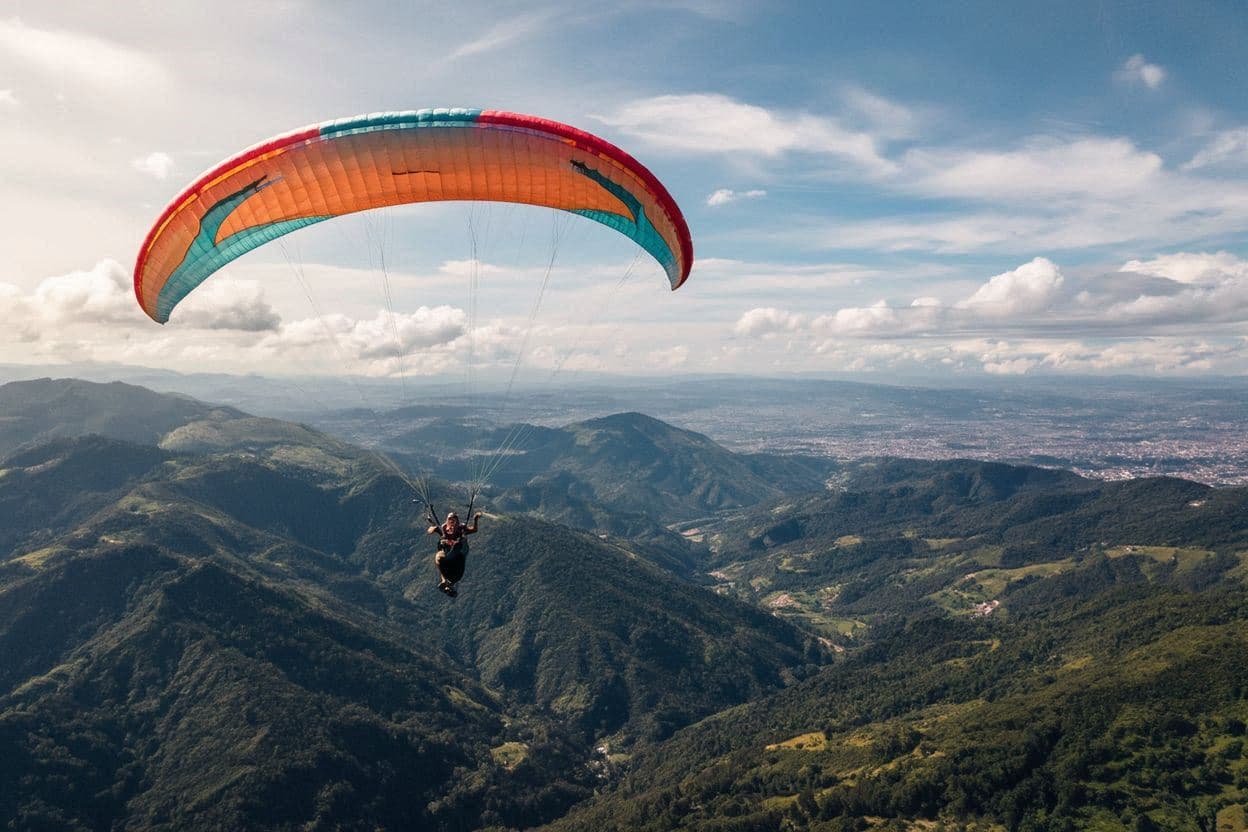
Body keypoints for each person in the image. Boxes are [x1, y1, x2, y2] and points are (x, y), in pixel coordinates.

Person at [428, 510, 482, 597]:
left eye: (454, 520)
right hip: (449, 552)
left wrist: (475, 519)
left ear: (457, 521)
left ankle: (447, 583)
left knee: (456, 546)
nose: (452, 522)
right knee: (441, 559)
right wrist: (433, 527)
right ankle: (446, 583)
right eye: (450, 520)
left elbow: (474, 530)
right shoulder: (444, 529)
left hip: (460, 551)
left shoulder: (461, 529)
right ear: (447, 520)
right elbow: (431, 529)